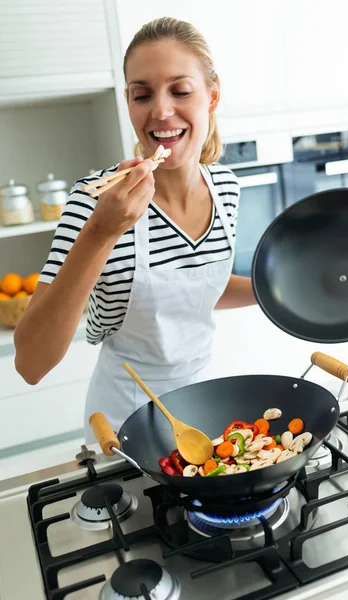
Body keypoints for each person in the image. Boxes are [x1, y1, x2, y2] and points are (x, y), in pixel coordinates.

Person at [14, 17, 258, 443]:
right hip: (124, 423)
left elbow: (198, 288)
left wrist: (276, 292)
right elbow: (31, 363)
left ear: (212, 97)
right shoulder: (94, 200)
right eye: (141, 94)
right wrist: (102, 233)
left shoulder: (227, 189)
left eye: (180, 90)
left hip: (206, 407)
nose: (161, 111)